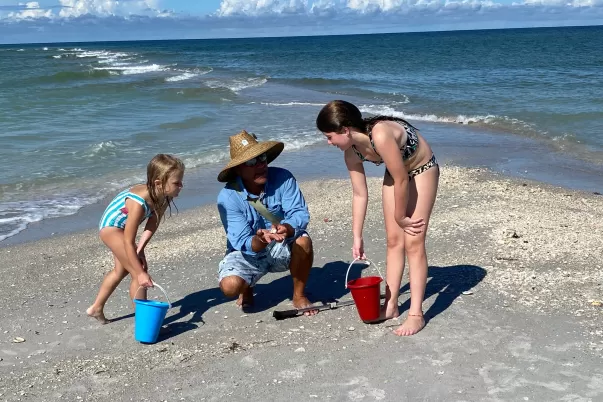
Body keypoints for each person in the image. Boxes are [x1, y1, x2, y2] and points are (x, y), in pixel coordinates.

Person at [316, 100, 439, 336]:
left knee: (413, 241)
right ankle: (391, 306)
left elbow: (403, 179)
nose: (328, 142)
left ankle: (416, 314)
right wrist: (356, 236)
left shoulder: (380, 134)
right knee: (394, 241)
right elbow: (360, 194)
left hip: (422, 167)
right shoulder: (351, 153)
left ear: (345, 130)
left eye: (329, 136)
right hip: (397, 171)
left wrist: (401, 216)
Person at [216, 130, 316, 315]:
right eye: (251, 162)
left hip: (281, 244)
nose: (260, 165)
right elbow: (242, 241)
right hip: (249, 251)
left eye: (262, 158)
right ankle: (246, 289)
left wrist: (286, 228)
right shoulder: (228, 197)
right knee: (230, 286)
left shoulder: (283, 178)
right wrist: (261, 239)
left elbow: (299, 213)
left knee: (303, 241)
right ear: (238, 169)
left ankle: (299, 295)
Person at [87, 154, 185, 324]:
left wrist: (141, 248)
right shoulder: (138, 203)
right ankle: (144, 322)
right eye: (177, 183)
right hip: (111, 228)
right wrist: (140, 273)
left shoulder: (164, 195)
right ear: (158, 183)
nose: (181, 186)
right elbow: (127, 240)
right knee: (136, 272)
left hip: (123, 230)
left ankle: (96, 308)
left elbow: (153, 223)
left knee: (121, 270)